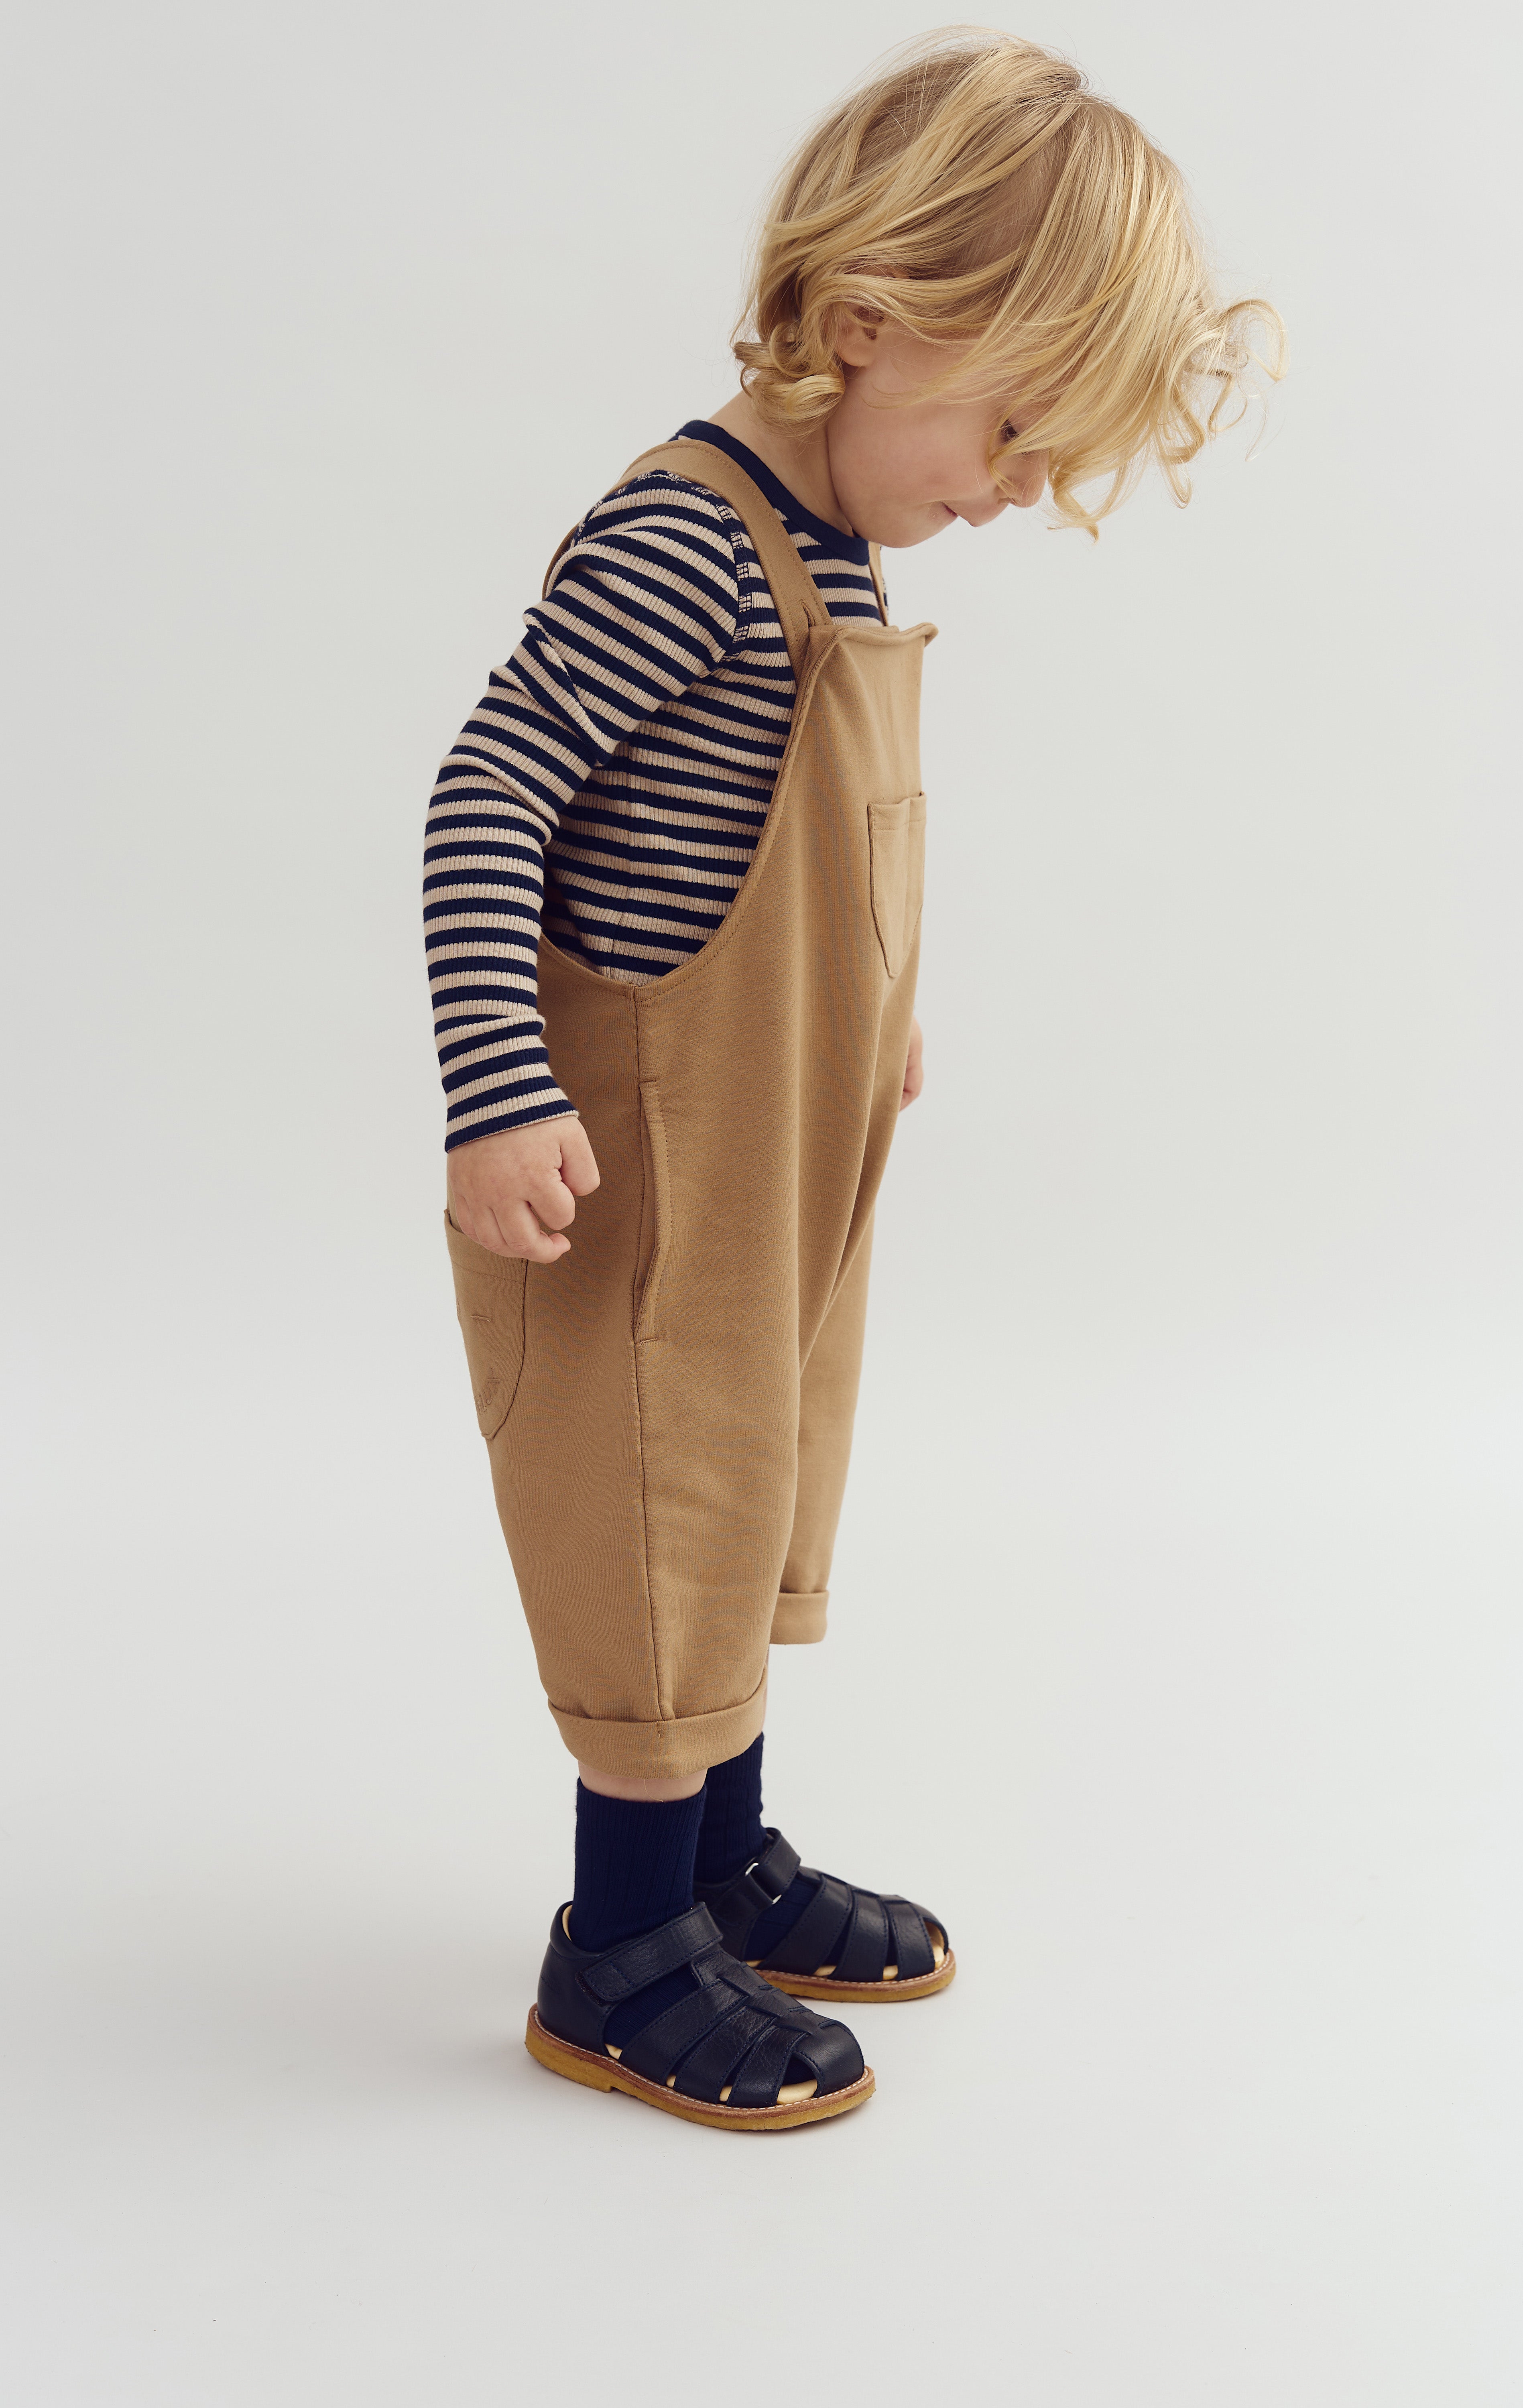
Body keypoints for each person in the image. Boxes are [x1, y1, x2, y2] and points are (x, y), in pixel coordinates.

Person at [423, 28, 1281, 2130]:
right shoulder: (691, 543)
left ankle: (718, 1862)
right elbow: (488, 788)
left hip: (786, 1147)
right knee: (653, 1513)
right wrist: (497, 1083)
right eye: (1012, 427)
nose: (1010, 485)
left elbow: (793, 849)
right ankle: (619, 1944)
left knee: (745, 1494)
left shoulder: (841, 557)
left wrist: (872, 1003)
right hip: (634, 1171)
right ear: (867, 322)